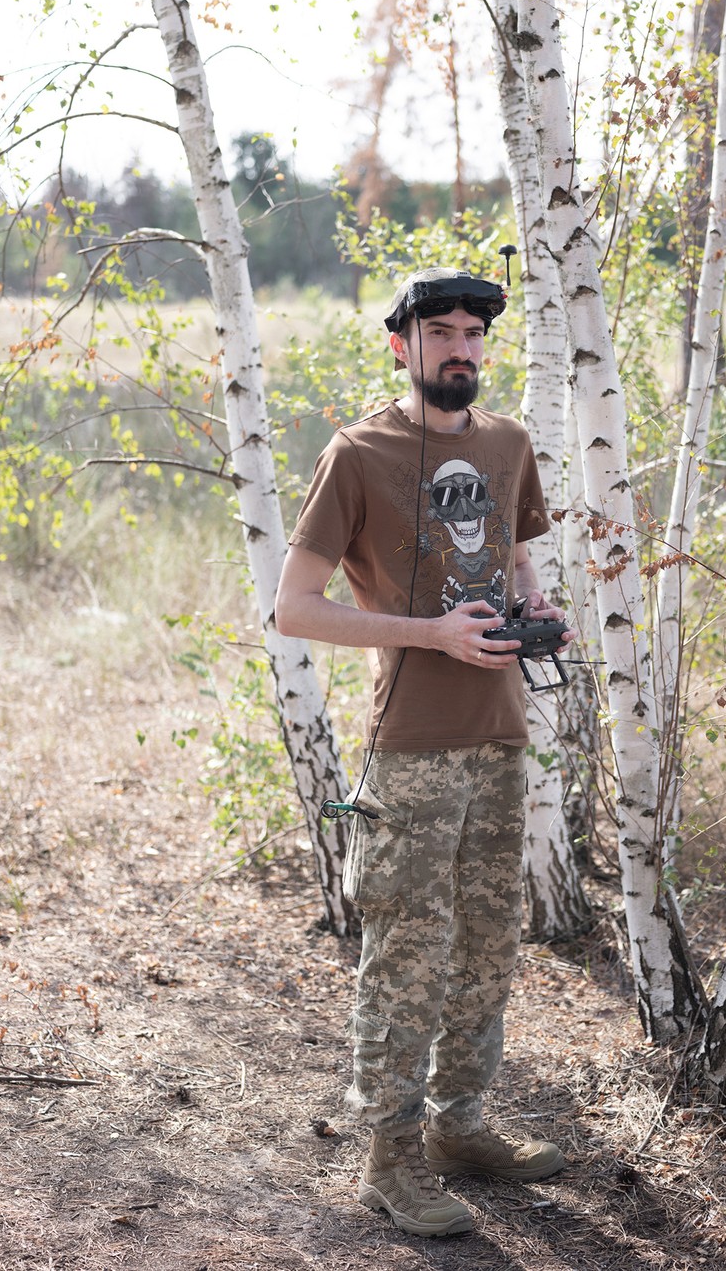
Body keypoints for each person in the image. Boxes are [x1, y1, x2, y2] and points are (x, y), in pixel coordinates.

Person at [274, 266, 571, 1237]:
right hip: (410, 748)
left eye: (472, 332)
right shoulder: (358, 455)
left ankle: (457, 1126)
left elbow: (517, 557)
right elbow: (294, 606)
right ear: (400, 345)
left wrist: (534, 610)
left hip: (498, 735)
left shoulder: (507, 443)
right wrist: (427, 632)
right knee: (407, 953)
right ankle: (389, 1161)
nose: (459, 346)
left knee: (487, 944)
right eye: (438, 330)